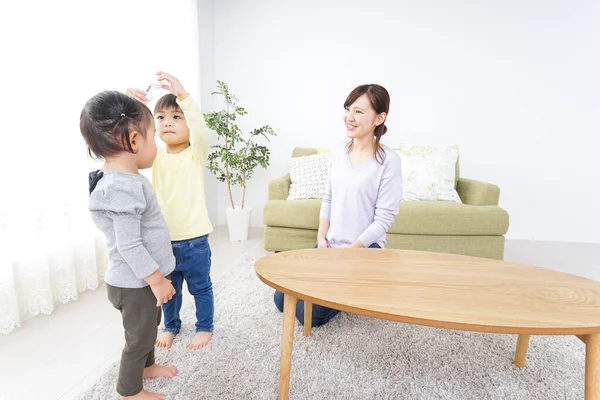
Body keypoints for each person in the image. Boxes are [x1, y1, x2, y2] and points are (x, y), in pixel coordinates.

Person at [274, 84, 403, 327]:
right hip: (329, 245)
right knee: (281, 300)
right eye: (347, 109)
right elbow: (329, 198)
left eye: (358, 111)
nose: (349, 117)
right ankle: (334, 284)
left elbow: (384, 220)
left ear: (379, 118)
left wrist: (347, 253)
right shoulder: (339, 153)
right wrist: (322, 239)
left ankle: (357, 290)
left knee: (307, 316)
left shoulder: (389, 160)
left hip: (362, 250)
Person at [81, 90, 178, 400]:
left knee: (149, 328)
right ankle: (130, 390)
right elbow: (130, 245)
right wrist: (158, 280)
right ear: (135, 141)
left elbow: (116, 119)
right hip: (135, 284)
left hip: (140, 282)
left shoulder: (124, 179)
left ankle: (146, 368)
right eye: (152, 137)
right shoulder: (123, 187)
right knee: (139, 337)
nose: (156, 144)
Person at [127, 72, 214, 350]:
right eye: (161, 118)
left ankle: (204, 327)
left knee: (200, 287)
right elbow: (131, 137)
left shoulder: (196, 154)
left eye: (177, 117)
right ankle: (171, 326)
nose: (168, 123)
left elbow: (200, 130)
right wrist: (129, 105)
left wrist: (183, 96)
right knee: (168, 291)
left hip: (195, 241)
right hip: (163, 241)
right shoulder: (155, 156)